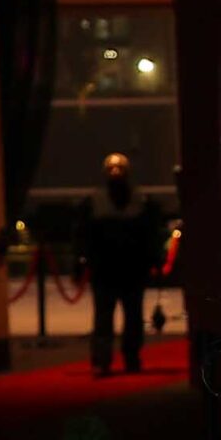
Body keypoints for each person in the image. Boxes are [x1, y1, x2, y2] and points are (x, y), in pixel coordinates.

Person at [82, 152, 162, 375]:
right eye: (111, 169)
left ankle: (131, 356)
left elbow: (149, 235)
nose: (115, 172)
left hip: (132, 269)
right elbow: (85, 235)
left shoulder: (140, 202)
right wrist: (84, 260)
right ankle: (102, 359)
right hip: (105, 269)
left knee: (133, 317)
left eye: (119, 168)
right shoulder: (96, 202)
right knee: (103, 318)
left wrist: (153, 259)